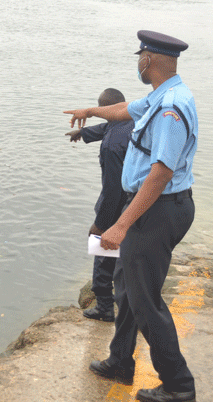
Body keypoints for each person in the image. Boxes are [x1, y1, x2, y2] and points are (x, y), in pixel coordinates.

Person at [65, 31, 198, 402]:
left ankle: (178, 386)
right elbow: (124, 110)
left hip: (156, 211)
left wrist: (121, 224)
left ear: (147, 60)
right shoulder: (160, 96)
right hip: (151, 208)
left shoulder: (171, 107)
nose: (137, 61)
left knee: (145, 302)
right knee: (126, 287)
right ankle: (120, 361)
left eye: (139, 56)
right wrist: (90, 111)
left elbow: (161, 172)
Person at [66, 88, 133, 323]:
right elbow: (107, 128)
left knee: (102, 248)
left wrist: (101, 224)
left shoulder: (112, 145)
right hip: (137, 204)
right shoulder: (131, 121)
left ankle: (104, 306)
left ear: (104, 109)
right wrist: (83, 134)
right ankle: (127, 304)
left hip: (118, 204)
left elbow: (113, 189)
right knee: (126, 256)